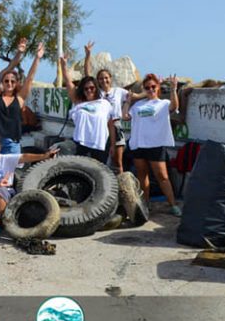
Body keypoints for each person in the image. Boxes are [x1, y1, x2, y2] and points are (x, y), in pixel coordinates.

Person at [123, 73, 182, 216]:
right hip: (138, 145)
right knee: (142, 175)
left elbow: (174, 106)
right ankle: (146, 203)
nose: (151, 89)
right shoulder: (138, 106)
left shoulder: (163, 103)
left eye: (153, 87)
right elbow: (125, 116)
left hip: (156, 145)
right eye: (147, 87)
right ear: (144, 89)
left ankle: (173, 204)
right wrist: (128, 101)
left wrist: (174, 89)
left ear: (158, 87)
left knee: (162, 176)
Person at [83, 40, 144, 173]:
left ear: (110, 78)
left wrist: (151, 91)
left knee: (118, 161)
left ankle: (121, 187)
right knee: (100, 160)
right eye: (100, 78)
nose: (104, 80)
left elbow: (136, 96)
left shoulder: (119, 91)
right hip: (101, 127)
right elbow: (87, 75)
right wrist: (88, 55)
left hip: (116, 127)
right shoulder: (97, 93)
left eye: (106, 78)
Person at [0, 35, 43, 154]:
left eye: (12, 81)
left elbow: (30, 79)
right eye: (6, 81)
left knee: (11, 173)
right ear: (2, 82)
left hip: (12, 143)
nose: (9, 83)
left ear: (16, 83)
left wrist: (37, 58)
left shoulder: (20, 99)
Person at [60, 54, 117, 163]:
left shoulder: (104, 104)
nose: (89, 90)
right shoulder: (79, 103)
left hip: (100, 145)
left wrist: (113, 145)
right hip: (81, 144)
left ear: (96, 88)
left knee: (99, 172)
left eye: (91, 88)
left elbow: (111, 125)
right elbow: (68, 82)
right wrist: (63, 66)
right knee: (81, 171)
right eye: (86, 89)